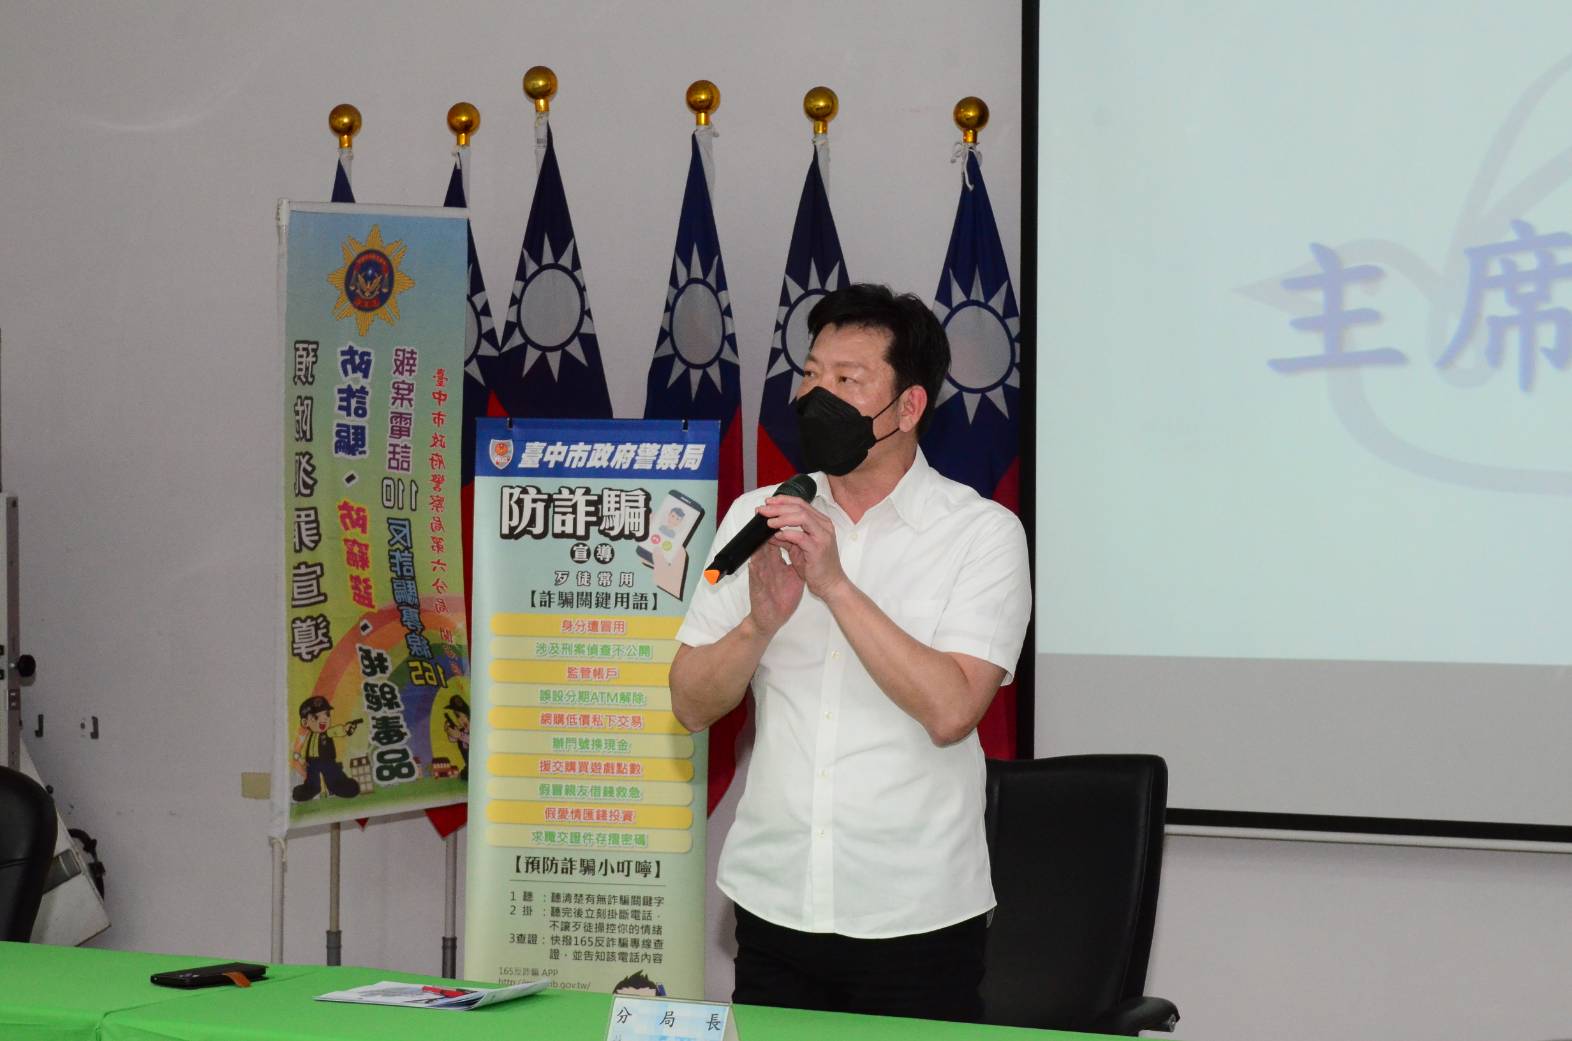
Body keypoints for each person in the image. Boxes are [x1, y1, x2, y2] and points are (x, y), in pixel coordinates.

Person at [669, 283, 1031, 1022]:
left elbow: (953, 709)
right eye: (810, 374)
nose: (816, 396)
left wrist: (834, 585)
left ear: (909, 406)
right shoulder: (758, 517)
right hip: (776, 902)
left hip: (915, 917)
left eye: (846, 379)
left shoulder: (981, 533)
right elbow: (689, 702)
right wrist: (758, 626)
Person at [291, 695, 362, 802]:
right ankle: (311, 788)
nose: (324, 719)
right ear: (305, 722)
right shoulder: (309, 736)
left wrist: (345, 729)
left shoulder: (328, 732)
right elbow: (305, 749)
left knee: (333, 776)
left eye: (327, 714)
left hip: (327, 760)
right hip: (312, 763)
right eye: (315, 717)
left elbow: (336, 731)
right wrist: (300, 758)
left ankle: (339, 786)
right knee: (312, 779)